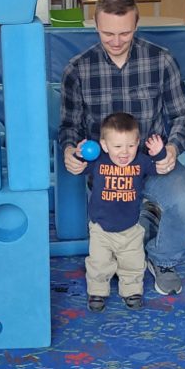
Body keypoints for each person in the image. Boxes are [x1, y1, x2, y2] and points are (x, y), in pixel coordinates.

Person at [59, 0, 185, 296]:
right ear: (95, 25)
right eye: (108, 33)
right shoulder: (78, 69)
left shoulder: (161, 61)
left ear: (136, 25)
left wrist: (173, 148)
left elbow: (181, 116)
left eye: (124, 33)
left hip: (150, 162)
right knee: (109, 255)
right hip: (106, 172)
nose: (116, 41)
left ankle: (162, 259)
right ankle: (142, 220)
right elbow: (69, 125)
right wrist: (70, 150)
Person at [73, 112, 167, 311]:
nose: (124, 152)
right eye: (117, 146)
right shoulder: (98, 161)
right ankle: (97, 291)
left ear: (138, 143)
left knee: (133, 262)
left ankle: (132, 291)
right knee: (98, 263)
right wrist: (78, 154)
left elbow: (159, 167)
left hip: (130, 227)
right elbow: (80, 168)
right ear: (105, 145)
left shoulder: (141, 162)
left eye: (131, 146)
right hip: (101, 228)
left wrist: (159, 152)